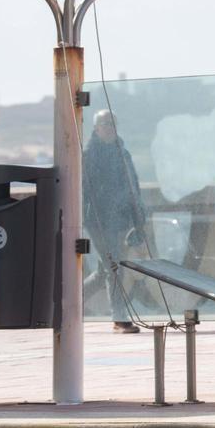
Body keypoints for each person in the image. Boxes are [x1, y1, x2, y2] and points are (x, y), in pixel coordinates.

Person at [82, 109, 147, 334]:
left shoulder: (122, 152)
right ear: (96, 128)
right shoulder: (90, 154)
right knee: (113, 266)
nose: (110, 127)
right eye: (105, 123)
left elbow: (132, 185)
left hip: (119, 219)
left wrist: (138, 216)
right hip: (98, 220)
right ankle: (119, 318)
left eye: (113, 123)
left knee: (105, 270)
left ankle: (66, 306)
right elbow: (85, 191)